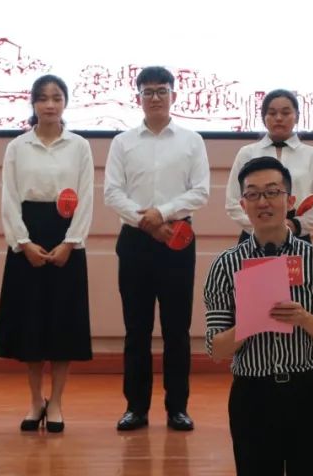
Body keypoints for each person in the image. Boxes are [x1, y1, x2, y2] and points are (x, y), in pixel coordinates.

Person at [205, 156, 313, 475]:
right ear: (243, 204)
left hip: (309, 393)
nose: (263, 202)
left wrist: (304, 319)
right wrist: (250, 321)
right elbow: (216, 350)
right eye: (253, 194)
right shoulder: (225, 265)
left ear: (290, 200)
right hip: (252, 396)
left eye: (272, 192)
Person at [104, 66, 210, 431]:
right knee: (136, 329)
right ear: (138, 98)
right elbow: (112, 192)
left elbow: (200, 191)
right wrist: (148, 223)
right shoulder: (122, 142)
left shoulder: (192, 141)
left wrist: (161, 214)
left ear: (173, 95)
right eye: (147, 92)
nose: (155, 98)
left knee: (177, 329)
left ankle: (177, 407)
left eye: (161, 91)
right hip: (135, 241)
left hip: (178, 239)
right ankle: (136, 408)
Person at [0, 75, 94, 433]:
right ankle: (36, 401)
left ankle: (58, 402)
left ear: (65, 102)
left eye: (56, 98)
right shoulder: (18, 146)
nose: (50, 104)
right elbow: (9, 197)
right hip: (29, 237)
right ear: (33, 103)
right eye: (43, 98)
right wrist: (22, 242)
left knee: (63, 325)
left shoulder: (79, 146)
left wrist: (71, 242)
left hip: (67, 238)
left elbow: (86, 196)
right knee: (31, 326)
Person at [225, 89, 313, 244]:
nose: (279, 118)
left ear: (297, 117)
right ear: (264, 118)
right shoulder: (247, 153)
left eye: (286, 113)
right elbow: (233, 201)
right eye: (272, 113)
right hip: (254, 236)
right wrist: (261, 225)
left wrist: (295, 225)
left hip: (297, 235)